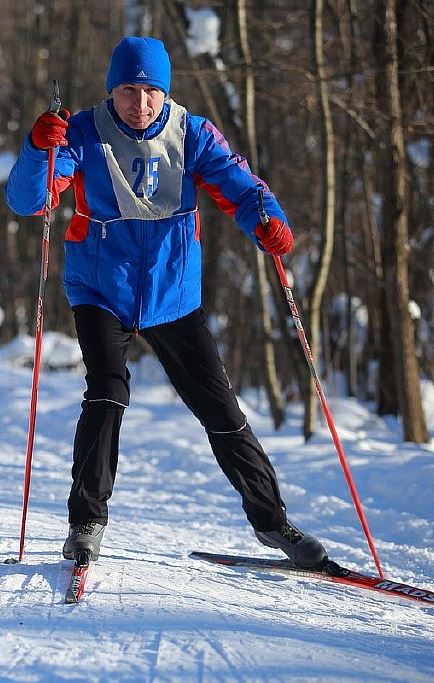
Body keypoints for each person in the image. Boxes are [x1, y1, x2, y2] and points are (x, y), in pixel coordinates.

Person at [6, 36, 328, 569]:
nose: (141, 103)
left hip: (172, 294)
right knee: (108, 392)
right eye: (129, 90)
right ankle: (86, 522)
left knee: (219, 407)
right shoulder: (83, 131)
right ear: (113, 89)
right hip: (100, 289)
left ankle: (274, 525)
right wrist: (40, 148)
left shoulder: (193, 133)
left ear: (166, 91)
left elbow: (243, 189)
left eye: (152, 90)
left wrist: (270, 223)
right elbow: (27, 200)